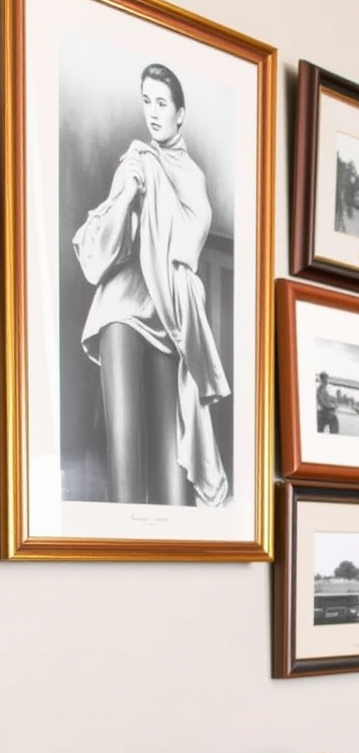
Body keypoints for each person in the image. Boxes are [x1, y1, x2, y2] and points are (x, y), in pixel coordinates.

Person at [72, 62, 230, 507]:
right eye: (147, 102)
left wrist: (150, 197)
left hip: (167, 319)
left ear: (181, 112)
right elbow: (104, 253)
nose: (153, 113)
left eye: (162, 103)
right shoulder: (136, 160)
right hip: (121, 308)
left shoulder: (194, 179)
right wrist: (126, 197)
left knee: (172, 479)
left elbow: (185, 248)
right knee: (125, 459)